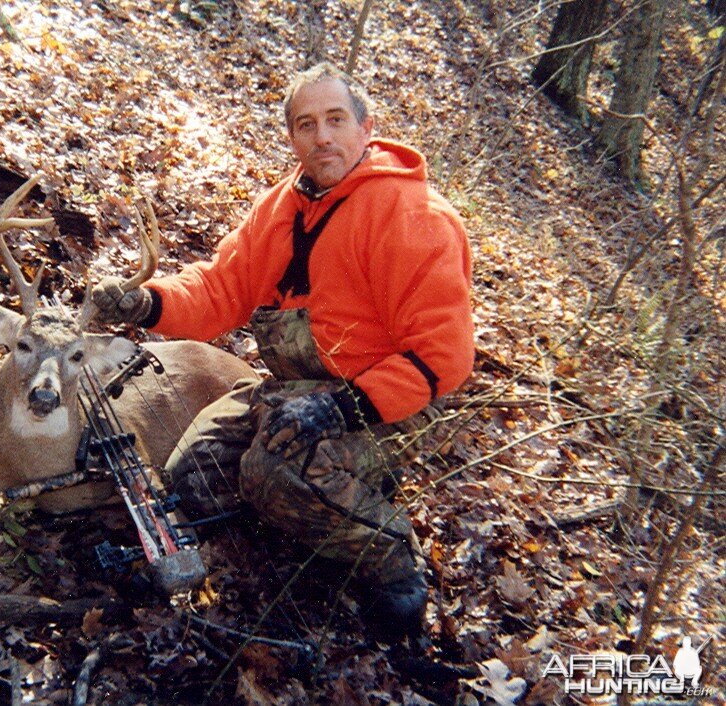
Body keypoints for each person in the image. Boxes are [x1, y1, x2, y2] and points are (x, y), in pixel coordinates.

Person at [93, 62, 474, 640]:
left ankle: (393, 557)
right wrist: (147, 303)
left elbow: (442, 355)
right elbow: (222, 287)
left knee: (276, 473)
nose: (322, 136)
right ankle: (306, 525)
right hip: (296, 390)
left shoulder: (415, 217)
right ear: (292, 137)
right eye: (306, 124)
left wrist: (341, 411)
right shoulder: (280, 209)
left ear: (365, 126)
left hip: (391, 405)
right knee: (193, 474)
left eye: (336, 120)